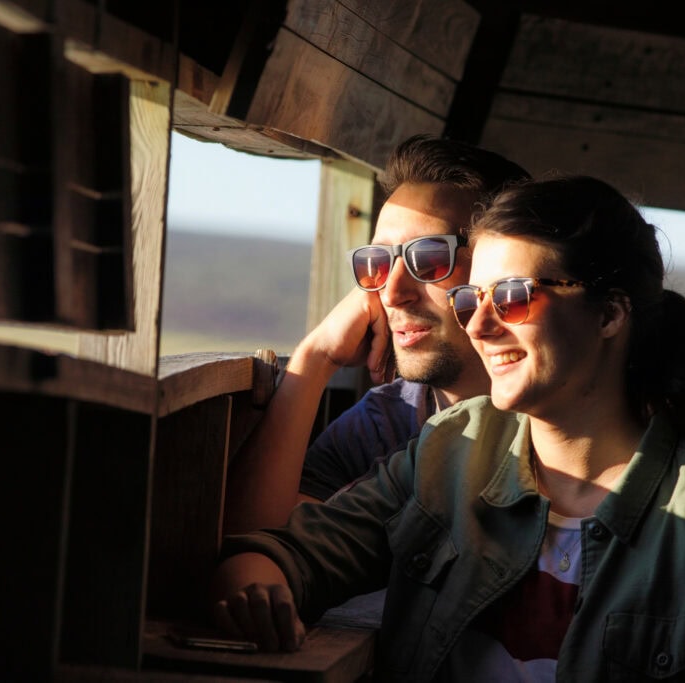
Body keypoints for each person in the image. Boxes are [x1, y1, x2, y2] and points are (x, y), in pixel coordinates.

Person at [209, 175, 685, 681]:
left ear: (609, 313)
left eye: (514, 297)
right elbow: (278, 554)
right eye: (471, 300)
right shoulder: (451, 451)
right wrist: (257, 588)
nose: (480, 325)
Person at [223, 135, 530, 534]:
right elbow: (256, 541)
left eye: (430, 258)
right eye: (378, 263)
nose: (392, 292)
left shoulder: (561, 423)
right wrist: (316, 357)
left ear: (501, 267)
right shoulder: (386, 421)